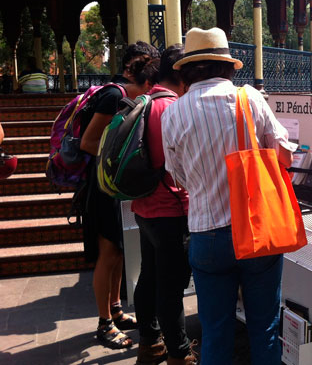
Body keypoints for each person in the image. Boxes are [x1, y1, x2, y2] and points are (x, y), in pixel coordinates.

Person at [161, 27, 295, 365]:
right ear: (227, 66)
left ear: (189, 69)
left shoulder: (173, 112)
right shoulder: (248, 98)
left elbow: (177, 176)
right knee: (264, 328)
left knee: (215, 333)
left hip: (207, 236)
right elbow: (283, 156)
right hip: (256, 232)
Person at [79, 42, 160, 350]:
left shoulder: (126, 97)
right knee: (108, 253)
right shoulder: (113, 96)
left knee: (119, 253)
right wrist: (119, 155)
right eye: (144, 65)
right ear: (130, 67)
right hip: (102, 186)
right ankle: (104, 323)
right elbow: (88, 142)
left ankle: (116, 309)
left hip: (113, 183)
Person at [131, 45, 197, 365]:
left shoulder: (144, 102)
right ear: (182, 74)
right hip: (170, 209)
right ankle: (179, 354)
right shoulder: (173, 108)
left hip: (144, 207)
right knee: (171, 289)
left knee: (149, 276)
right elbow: (184, 167)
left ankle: (149, 342)